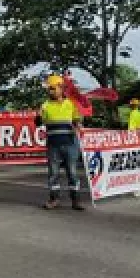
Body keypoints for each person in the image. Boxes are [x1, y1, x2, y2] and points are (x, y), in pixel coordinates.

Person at [35, 74, 84, 211]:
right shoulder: (45, 105)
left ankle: (76, 200)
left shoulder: (71, 104)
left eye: (52, 88)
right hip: (53, 145)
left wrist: (78, 124)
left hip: (70, 143)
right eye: (49, 89)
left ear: (61, 88)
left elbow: (76, 120)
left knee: (72, 173)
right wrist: (38, 115)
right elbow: (38, 123)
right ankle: (54, 199)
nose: (50, 91)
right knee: (53, 174)